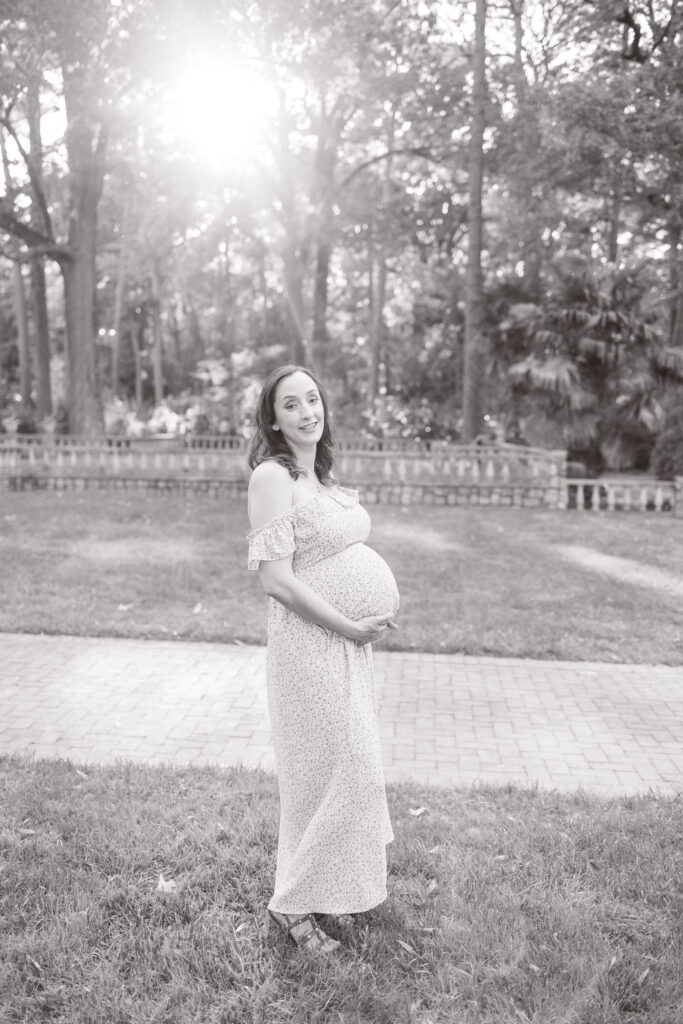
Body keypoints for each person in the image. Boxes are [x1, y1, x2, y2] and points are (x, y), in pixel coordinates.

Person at [246, 364, 400, 955]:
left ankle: (330, 889)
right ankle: (291, 907)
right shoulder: (272, 476)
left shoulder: (320, 477)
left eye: (313, 398)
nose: (308, 411)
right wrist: (349, 627)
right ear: (273, 419)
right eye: (292, 404)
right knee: (328, 776)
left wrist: (358, 630)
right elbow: (277, 583)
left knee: (352, 770)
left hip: (344, 648)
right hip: (309, 648)